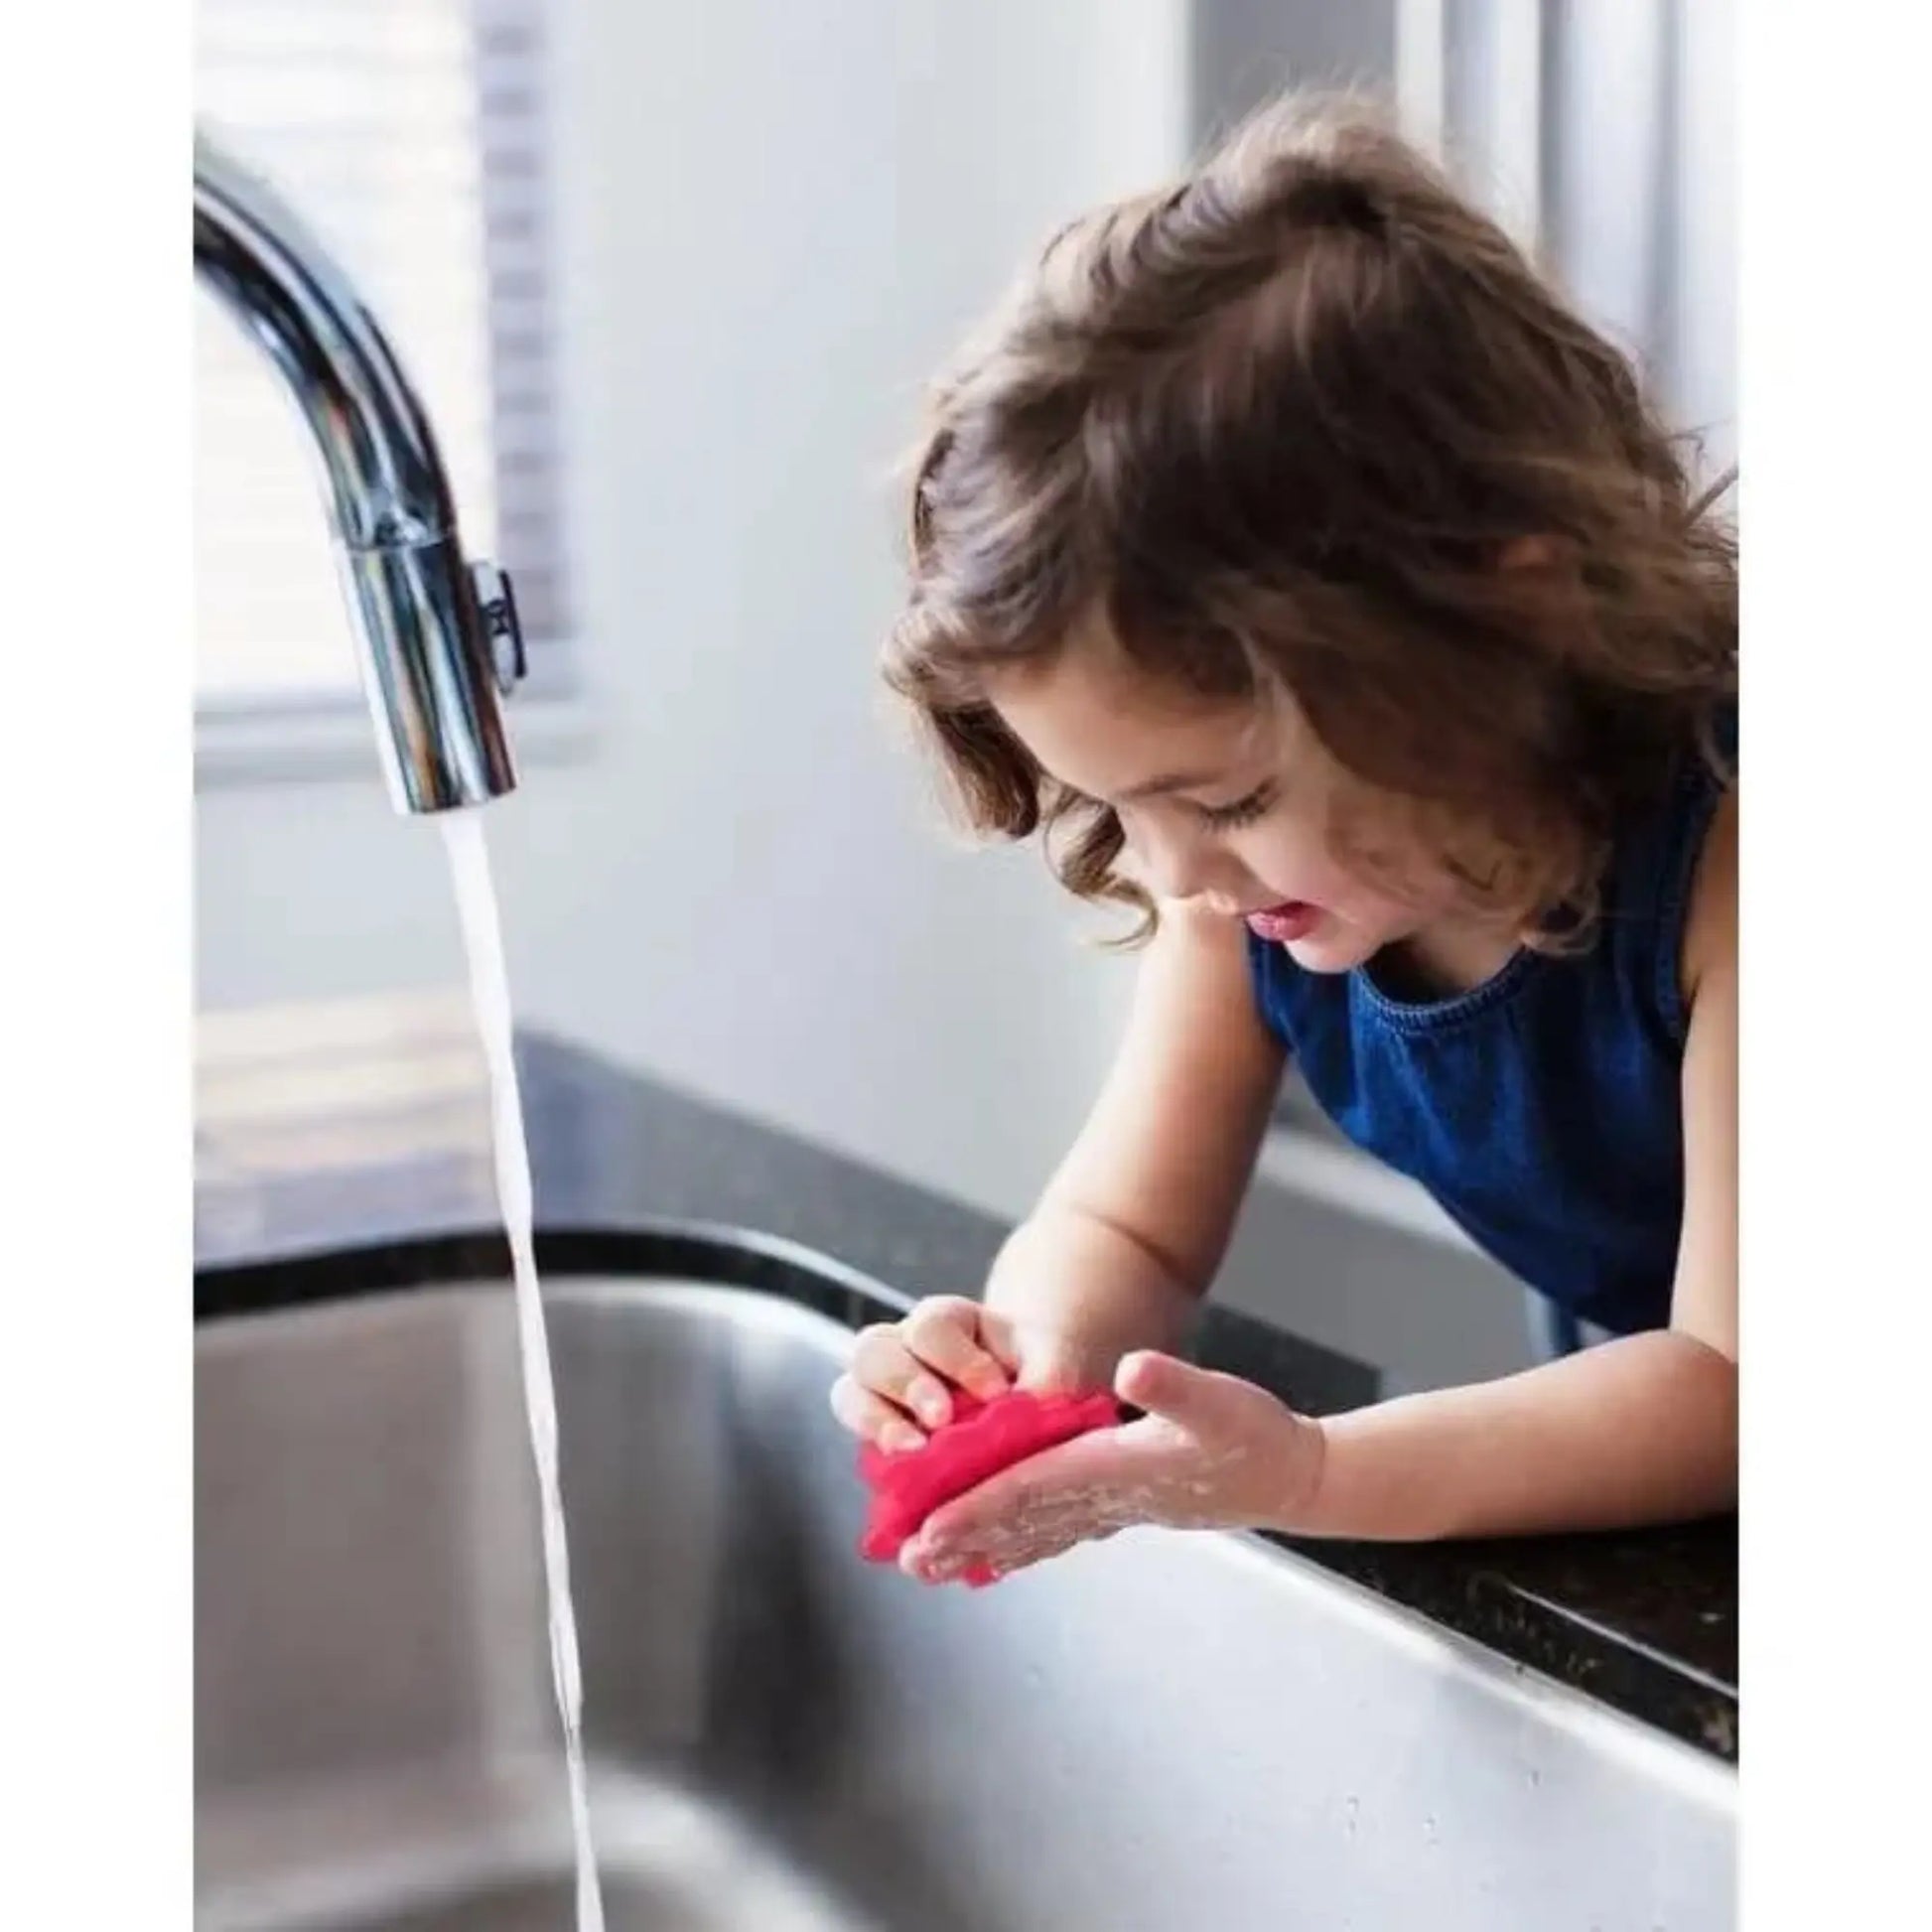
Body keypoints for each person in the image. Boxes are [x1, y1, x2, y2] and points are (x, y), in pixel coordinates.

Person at [829, 92, 1736, 1585]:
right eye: (1113, 803)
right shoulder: (1241, 895)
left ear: (1501, 629)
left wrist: (1308, 1468)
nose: (1172, 870)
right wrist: (1018, 1378)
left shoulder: (1735, 864)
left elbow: (1725, 1382)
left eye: (1224, 798)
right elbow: (1125, 1224)